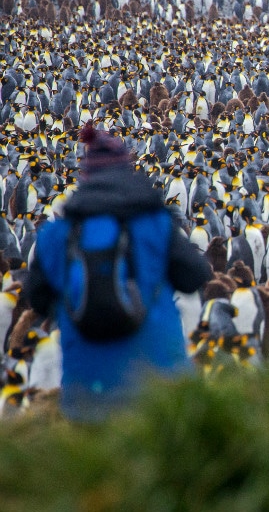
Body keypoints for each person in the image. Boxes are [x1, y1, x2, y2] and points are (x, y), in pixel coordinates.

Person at [24, 124, 211, 422]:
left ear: (85, 179)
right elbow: (195, 276)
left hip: (87, 393)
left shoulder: (55, 235)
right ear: (126, 173)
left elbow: (36, 299)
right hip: (160, 382)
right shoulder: (154, 225)